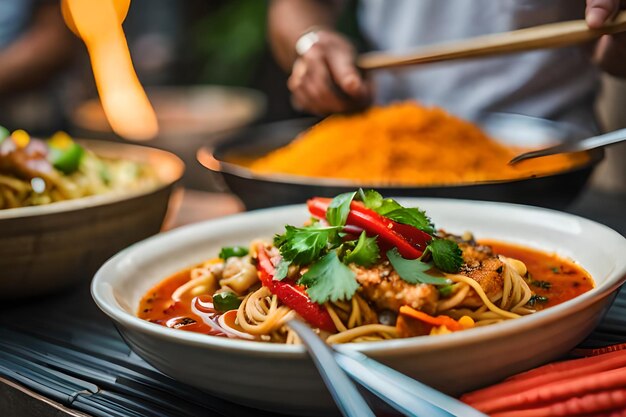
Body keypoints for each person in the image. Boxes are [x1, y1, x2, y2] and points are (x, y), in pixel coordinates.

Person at [268, 0, 626, 130]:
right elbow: (292, 6)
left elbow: (608, 42)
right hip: (385, 156)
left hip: (541, 162)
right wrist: (309, 42)